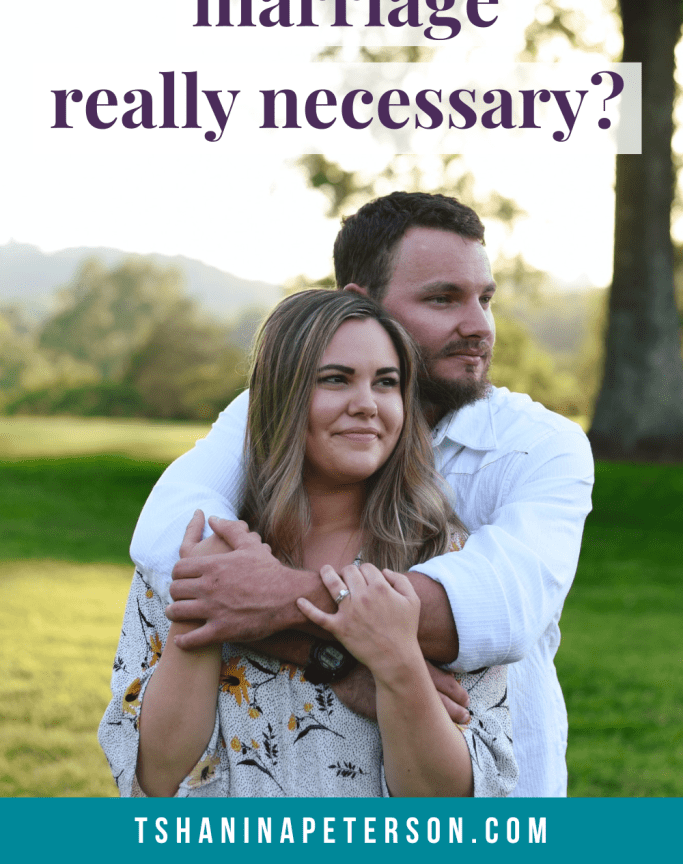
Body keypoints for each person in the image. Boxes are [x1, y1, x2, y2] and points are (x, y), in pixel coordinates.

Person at [129, 191, 594, 797]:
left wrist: (278, 598)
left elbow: (498, 611)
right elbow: (168, 536)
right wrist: (338, 661)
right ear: (360, 303)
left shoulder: (540, 445)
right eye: (442, 298)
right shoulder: (270, 416)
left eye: (485, 299)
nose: (478, 326)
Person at [99, 289, 518, 797]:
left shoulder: (445, 564)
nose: (365, 404)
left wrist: (397, 663)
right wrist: (199, 610)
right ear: (282, 395)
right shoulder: (205, 552)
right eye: (335, 379)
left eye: (386, 383)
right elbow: (158, 783)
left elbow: (453, 807)